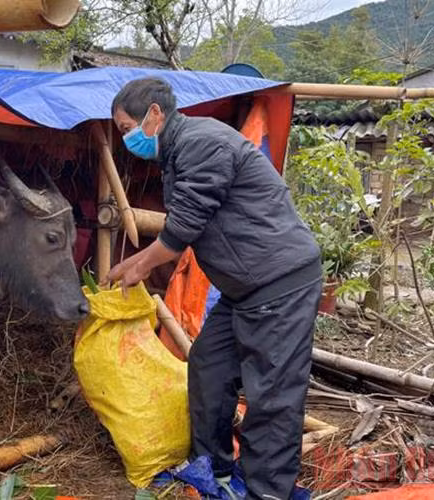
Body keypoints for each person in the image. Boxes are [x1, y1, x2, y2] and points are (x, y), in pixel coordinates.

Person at [106, 77, 322, 500]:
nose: (125, 137)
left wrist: (135, 268)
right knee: (209, 366)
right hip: (244, 290)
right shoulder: (178, 152)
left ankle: (267, 492)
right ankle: (214, 468)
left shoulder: (202, 142)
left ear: (154, 114)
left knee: (271, 395)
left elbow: (183, 228)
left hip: (279, 285)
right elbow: (187, 219)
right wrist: (134, 264)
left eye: (125, 126)